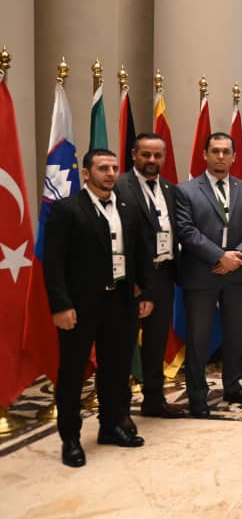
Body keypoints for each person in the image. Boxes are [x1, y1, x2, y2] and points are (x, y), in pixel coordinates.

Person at [44, 148, 154, 467]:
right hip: (80, 306)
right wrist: (61, 305)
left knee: (116, 369)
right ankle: (70, 439)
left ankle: (110, 426)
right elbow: (53, 262)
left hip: (120, 302)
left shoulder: (127, 207)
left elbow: (139, 254)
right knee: (73, 373)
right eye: (102, 168)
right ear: (86, 173)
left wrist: (145, 292)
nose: (110, 173)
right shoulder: (67, 209)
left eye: (114, 168)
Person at [175, 132, 242, 418]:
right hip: (201, 274)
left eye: (226, 151)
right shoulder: (186, 191)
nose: (221, 156)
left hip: (237, 274)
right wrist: (219, 256)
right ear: (205, 154)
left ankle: (233, 386)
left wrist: (236, 257)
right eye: (215, 151)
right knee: (198, 338)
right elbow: (186, 230)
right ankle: (197, 396)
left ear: (234, 157)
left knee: (237, 334)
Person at [113, 133, 185, 419]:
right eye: (146, 154)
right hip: (131, 282)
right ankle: (119, 411)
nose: (152, 160)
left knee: (156, 343)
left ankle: (154, 400)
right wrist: (134, 282)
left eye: (157, 155)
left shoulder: (169, 189)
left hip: (163, 275)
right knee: (123, 346)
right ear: (134, 155)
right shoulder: (120, 186)